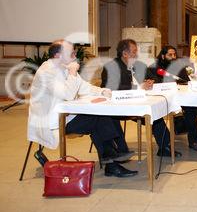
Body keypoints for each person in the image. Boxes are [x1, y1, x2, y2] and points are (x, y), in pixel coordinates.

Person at [28, 40, 137, 177]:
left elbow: (84, 87)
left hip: (67, 115)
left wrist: (101, 91)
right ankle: (111, 160)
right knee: (97, 117)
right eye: (71, 53)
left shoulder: (65, 67)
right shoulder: (46, 72)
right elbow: (67, 94)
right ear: (57, 56)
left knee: (99, 114)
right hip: (52, 121)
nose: (75, 56)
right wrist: (73, 72)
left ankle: (111, 159)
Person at [101, 39, 181, 157]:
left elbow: (153, 78)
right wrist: (138, 87)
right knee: (109, 119)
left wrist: (149, 82)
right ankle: (120, 150)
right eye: (134, 52)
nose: (136, 55)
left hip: (137, 103)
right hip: (117, 106)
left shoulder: (138, 65)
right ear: (125, 53)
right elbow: (112, 87)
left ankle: (165, 146)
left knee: (154, 113)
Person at [146, 45, 197, 151]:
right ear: (163, 56)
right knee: (191, 107)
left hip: (178, 96)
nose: (173, 57)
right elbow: (149, 83)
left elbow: (186, 81)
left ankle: (194, 142)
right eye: (170, 55)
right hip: (161, 99)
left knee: (190, 108)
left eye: (174, 54)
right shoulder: (153, 67)